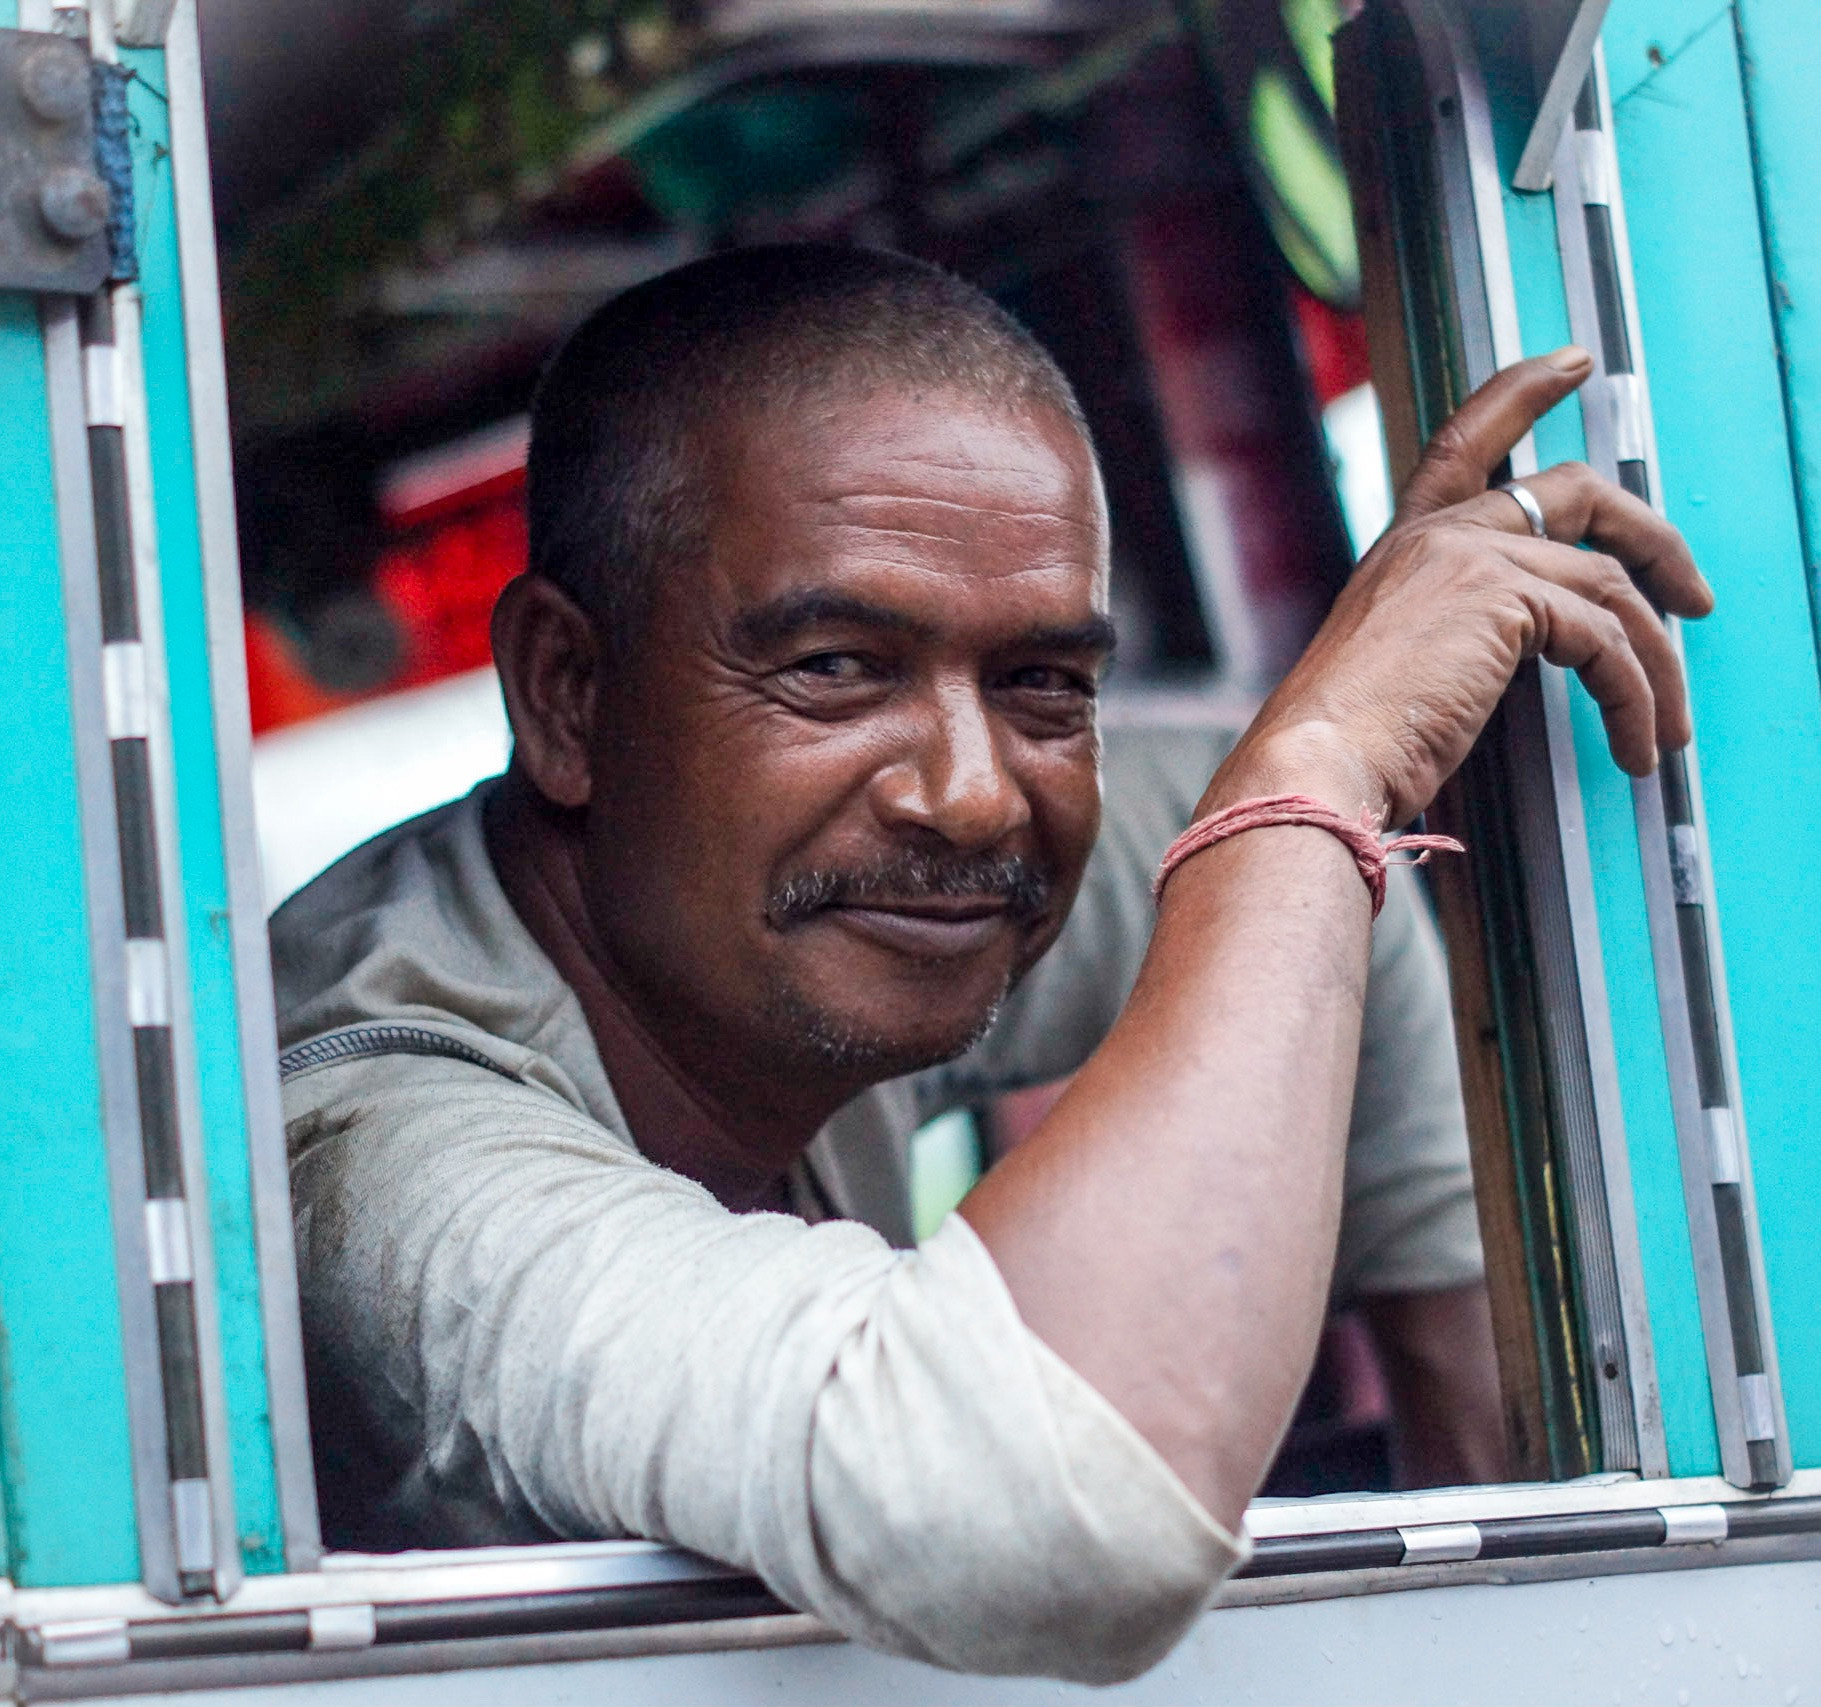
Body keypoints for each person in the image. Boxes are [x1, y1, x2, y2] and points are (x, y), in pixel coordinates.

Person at [275, 245, 1708, 1682]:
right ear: (569, 694)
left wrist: (1467, 1495)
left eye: (1043, 684)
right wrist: (1320, 766)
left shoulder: (803, 901)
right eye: (834, 667)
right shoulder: (369, 1137)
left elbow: (1347, 900)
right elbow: (1057, 1517)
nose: (967, 796)